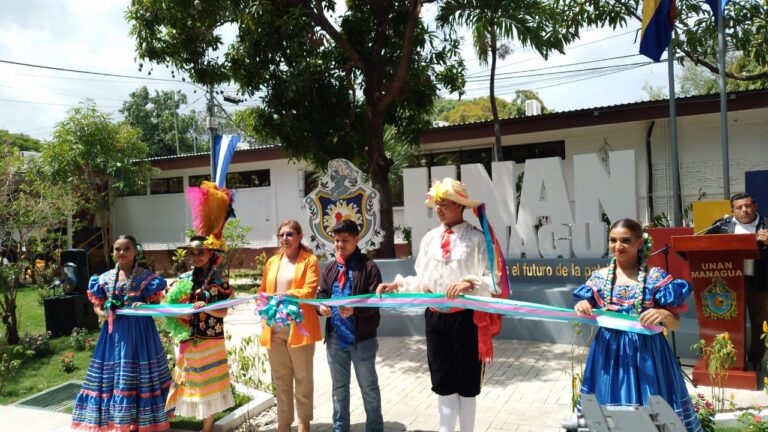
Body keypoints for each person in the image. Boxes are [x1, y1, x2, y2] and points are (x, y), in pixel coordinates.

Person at [377, 178, 503, 432]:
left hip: (466, 318)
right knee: (443, 381)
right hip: (435, 319)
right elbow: (423, 279)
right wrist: (398, 285)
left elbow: (494, 280)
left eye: (444, 204)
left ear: (459, 206)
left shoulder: (478, 239)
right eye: (437, 204)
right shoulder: (429, 239)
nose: (439, 209)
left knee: (467, 384)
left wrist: (469, 283)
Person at [573, 218, 702, 432]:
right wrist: (583, 304)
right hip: (608, 354)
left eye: (626, 240)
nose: (618, 246)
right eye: (612, 240)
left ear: (640, 243)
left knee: (650, 404)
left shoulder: (655, 278)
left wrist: (662, 313)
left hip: (649, 355)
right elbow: (584, 305)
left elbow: (675, 324)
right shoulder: (599, 278)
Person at [72, 234, 172, 432]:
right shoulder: (105, 278)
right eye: (118, 249)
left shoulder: (146, 277)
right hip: (114, 334)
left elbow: (156, 304)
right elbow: (98, 307)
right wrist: (104, 314)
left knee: (140, 374)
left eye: (127, 248)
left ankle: (143, 421)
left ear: (136, 251)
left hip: (141, 333)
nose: (122, 253)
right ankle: (119, 421)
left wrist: (143, 305)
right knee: (115, 375)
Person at [317, 219, 383, 432]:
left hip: (361, 340)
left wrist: (356, 310)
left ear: (356, 239)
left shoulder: (369, 267)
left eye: (344, 240)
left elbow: (375, 301)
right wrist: (321, 308)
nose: (339, 245)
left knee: (369, 389)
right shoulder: (329, 268)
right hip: (335, 339)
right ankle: (339, 429)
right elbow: (321, 295)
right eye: (336, 241)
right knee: (339, 390)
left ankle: (374, 429)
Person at [164, 235, 235, 432]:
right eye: (192, 253)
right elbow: (171, 304)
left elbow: (223, 312)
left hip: (211, 339)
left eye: (200, 252)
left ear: (211, 253)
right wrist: (181, 312)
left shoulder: (220, 281)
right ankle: (200, 420)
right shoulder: (183, 279)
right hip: (188, 337)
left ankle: (207, 426)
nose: (195, 257)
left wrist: (206, 308)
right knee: (191, 379)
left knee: (210, 381)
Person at [260, 220, 322, 432]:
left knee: (303, 379)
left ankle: (303, 424)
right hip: (274, 329)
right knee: (281, 380)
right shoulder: (271, 262)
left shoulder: (310, 260)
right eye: (281, 235)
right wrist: (262, 304)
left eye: (289, 234)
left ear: (299, 236)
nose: (285, 238)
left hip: (300, 328)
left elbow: (310, 290)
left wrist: (287, 295)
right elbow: (263, 292)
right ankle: (283, 425)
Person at [705, 192, 768, 370]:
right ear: (731, 210)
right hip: (729, 283)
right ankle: (729, 359)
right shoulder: (721, 225)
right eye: (739, 207)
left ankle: (756, 359)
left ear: (755, 206)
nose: (744, 210)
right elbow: (704, 244)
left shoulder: (767, 224)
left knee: (760, 321)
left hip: (760, 281)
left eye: (748, 206)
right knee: (727, 320)